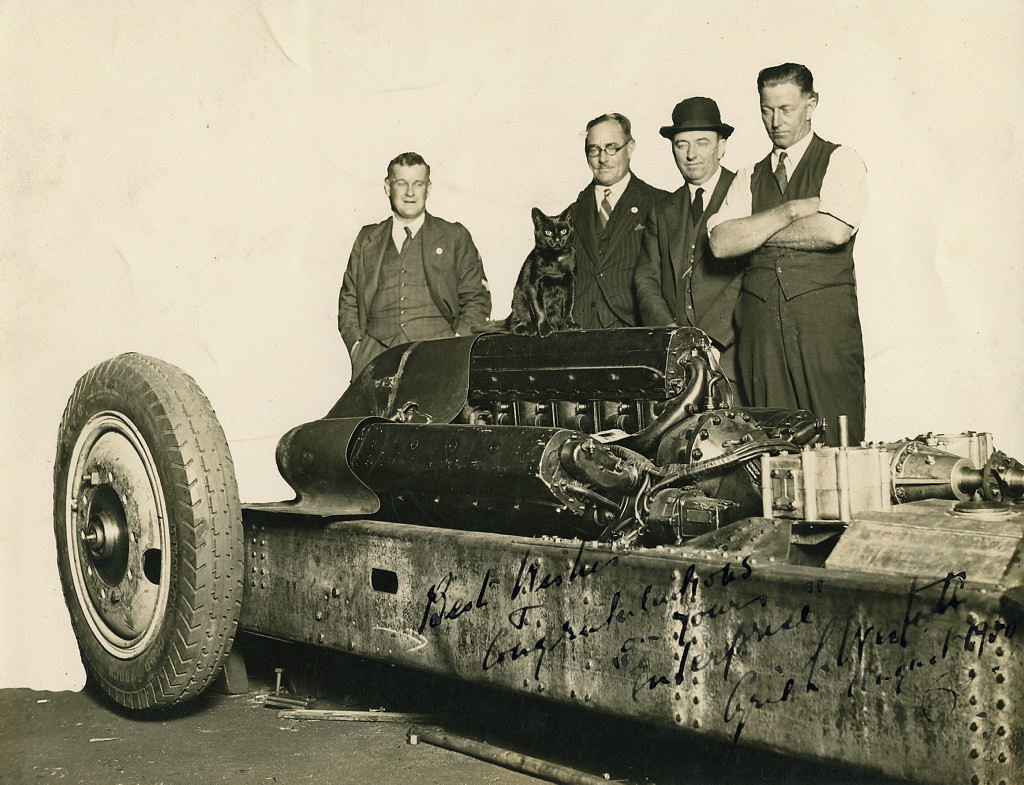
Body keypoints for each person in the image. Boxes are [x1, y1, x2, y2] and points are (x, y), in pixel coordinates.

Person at [708, 63, 868, 446]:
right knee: (771, 450)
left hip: (824, 329)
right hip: (761, 332)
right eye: (767, 109)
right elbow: (721, 243)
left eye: (786, 109)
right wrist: (791, 211)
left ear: (811, 105)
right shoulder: (748, 174)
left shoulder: (841, 159)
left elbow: (833, 230)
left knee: (838, 446)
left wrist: (755, 232)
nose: (775, 121)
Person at [338, 151, 491, 377]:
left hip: (439, 358)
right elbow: (348, 301)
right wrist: (357, 349)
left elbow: (477, 300)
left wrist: (456, 347)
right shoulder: (366, 239)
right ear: (388, 187)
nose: (410, 192)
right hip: (374, 361)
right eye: (402, 183)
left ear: (428, 188)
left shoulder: (454, 236)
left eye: (418, 183)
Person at [634, 97, 746, 389]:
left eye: (702, 143)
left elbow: (750, 274)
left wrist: (711, 341)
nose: (691, 154)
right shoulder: (662, 210)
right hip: (678, 362)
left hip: (733, 359)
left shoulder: (745, 194)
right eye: (681, 145)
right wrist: (673, 337)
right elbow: (645, 279)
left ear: (721, 147)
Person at [567, 113, 668, 329]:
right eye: (594, 149)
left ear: (630, 148)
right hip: (578, 335)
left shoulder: (660, 204)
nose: (603, 159)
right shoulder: (571, 213)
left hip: (636, 333)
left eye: (612, 147)